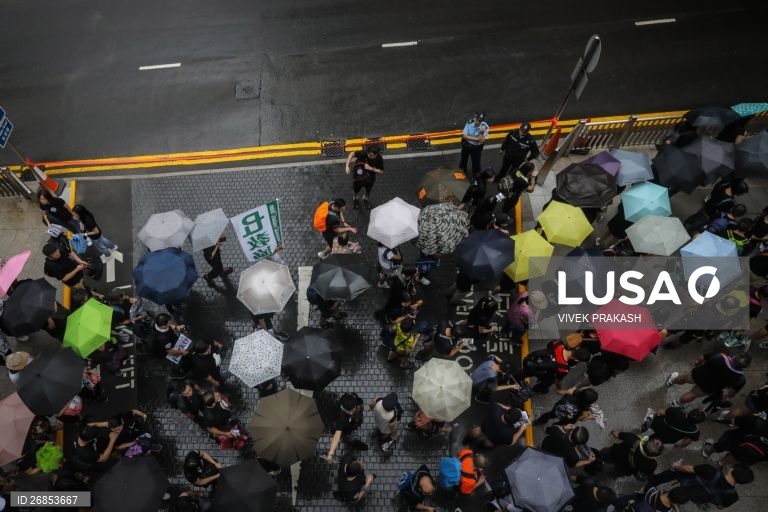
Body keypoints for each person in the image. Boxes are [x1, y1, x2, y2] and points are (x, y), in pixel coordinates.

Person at [649, 461, 753, 509]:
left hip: (686, 482)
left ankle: (652, 482)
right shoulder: (733, 497)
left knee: (675, 471)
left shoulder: (710, 470)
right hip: (695, 498)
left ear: (732, 469)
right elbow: (720, 507)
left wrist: (677, 466)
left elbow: (687, 469)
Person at [666, 352, 751, 408]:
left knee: (683, 378)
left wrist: (697, 363)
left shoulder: (720, 356)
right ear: (744, 367)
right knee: (692, 394)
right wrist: (728, 396)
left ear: (735, 356)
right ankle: (677, 403)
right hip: (709, 388)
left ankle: (671, 381)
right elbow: (732, 393)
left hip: (698, 375)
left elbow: (703, 357)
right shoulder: (740, 379)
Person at [703, 414, 768, 465]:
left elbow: (740, 421)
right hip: (758, 451)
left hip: (739, 438)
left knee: (725, 443)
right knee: (739, 455)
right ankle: (719, 464)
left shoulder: (761, 423)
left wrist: (736, 420)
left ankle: (709, 451)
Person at [324, 392, 368, 463]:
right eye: (349, 411)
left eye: (352, 410)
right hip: (347, 429)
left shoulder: (350, 399)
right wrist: (331, 453)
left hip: (352, 424)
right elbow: (337, 436)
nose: (351, 413)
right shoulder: (341, 418)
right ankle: (352, 442)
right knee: (350, 437)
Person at [640, 406, 704, 448]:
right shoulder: (694, 432)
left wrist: (655, 413)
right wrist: (680, 446)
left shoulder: (677, 412)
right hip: (668, 439)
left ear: (689, 413)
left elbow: (660, 412)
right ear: (698, 423)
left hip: (658, 426)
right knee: (659, 439)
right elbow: (687, 441)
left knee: (655, 420)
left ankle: (645, 428)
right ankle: (651, 442)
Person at [534, 387, 599, 426]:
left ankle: (539, 421)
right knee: (560, 424)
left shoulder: (575, 392)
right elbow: (581, 419)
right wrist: (591, 417)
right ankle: (552, 428)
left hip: (558, 409)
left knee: (550, 414)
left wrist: (559, 391)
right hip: (567, 418)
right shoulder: (584, 408)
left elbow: (564, 392)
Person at [345, 146, 384, 210]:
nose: (368, 155)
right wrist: (347, 166)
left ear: (376, 155)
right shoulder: (364, 153)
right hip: (358, 176)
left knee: (368, 190)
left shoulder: (379, 159)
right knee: (356, 189)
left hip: (370, 177)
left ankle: (366, 198)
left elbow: (381, 171)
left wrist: (371, 168)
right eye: (368, 154)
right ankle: (355, 198)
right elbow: (352, 153)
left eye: (370, 155)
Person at [459, 112, 490, 178]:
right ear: (474, 118)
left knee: (476, 163)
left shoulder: (485, 127)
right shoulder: (469, 122)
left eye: (480, 121)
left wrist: (481, 132)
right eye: (477, 120)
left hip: (476, 147)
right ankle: (463, 170)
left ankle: (475, 176)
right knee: (463, 160)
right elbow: (464, 136)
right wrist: (476, 139)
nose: (478, 122)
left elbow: (481, 141)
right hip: (466, 145)